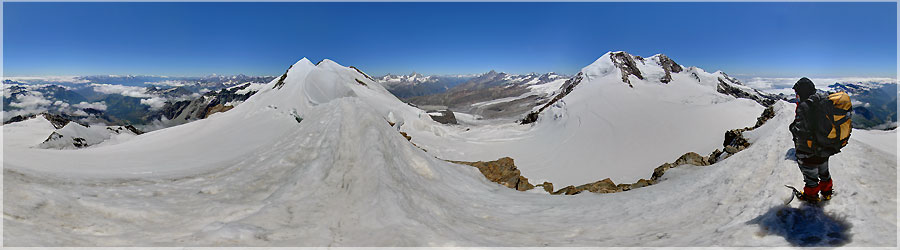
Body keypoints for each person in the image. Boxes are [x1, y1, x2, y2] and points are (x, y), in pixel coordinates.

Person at [789, 77, 833, 203]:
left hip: (808, 150)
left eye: (797, 93)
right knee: (824, 173)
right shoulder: (822, 102)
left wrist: (792, 128)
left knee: (811, 177)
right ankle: (827, 192)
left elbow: (801, 130)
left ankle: (811, 196)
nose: (796, 95)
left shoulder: (804, 107)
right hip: (824, 148)